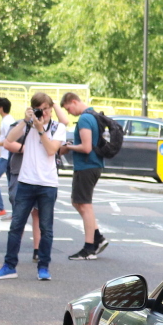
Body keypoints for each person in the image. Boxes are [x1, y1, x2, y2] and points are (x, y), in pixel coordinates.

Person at [0, 92, 66, 281]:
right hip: (26, 181)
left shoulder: (58, 127)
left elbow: (51, 150)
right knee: (16, 226)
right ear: (34, 109)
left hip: (47, 184)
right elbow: (9, 139)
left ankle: (43, 267)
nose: (45, 113)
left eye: (47, 109)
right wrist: (26, 121)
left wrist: (40, 130)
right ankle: (9, 266)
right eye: (41, 109)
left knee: (46, 228)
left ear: (51, 108)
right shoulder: (28, 125)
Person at [59, 92, 109, 259]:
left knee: (85, 205)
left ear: (73, 101)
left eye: (68, 108)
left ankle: (89, 248)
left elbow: (86, 148)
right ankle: (97, 237)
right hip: (91, 164)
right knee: (77, 202)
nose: (69, 112)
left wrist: (70, 146)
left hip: (87, 165)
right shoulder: (93, 115)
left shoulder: (84, 119)